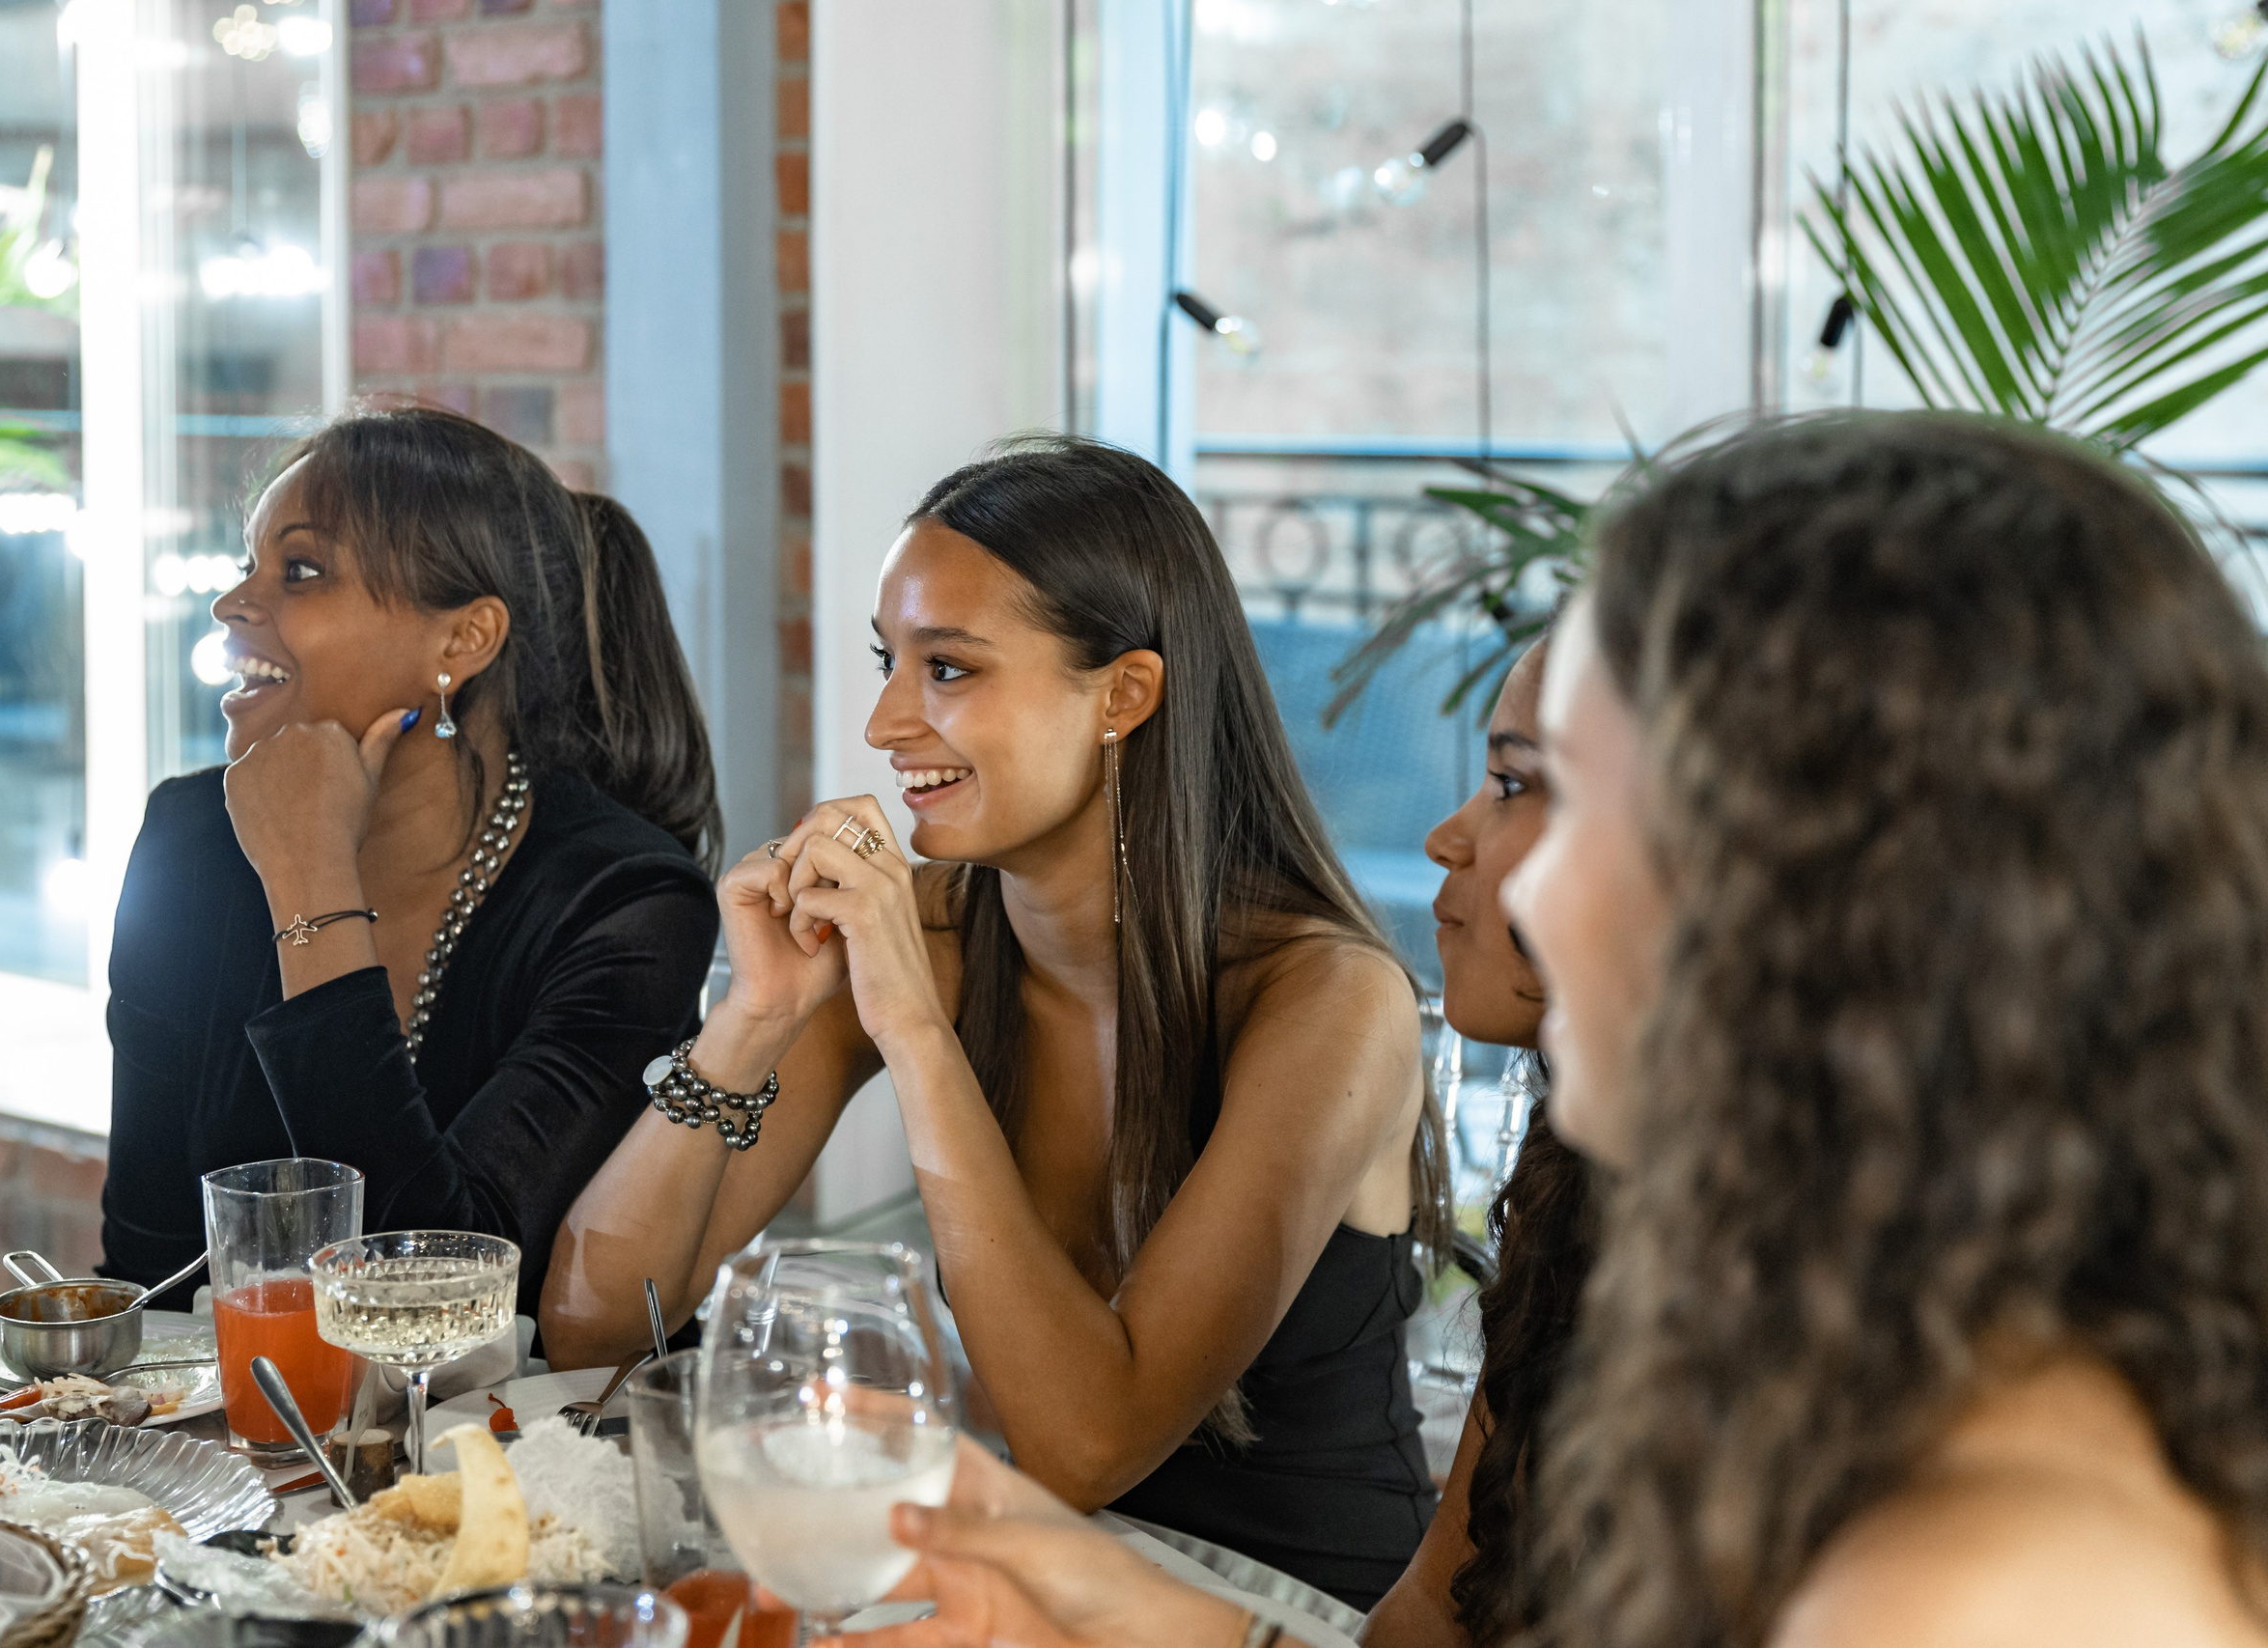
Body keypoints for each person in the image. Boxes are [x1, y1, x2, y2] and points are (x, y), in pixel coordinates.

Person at [824, 412, 2268, 1648]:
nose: (1488, 864)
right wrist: (1103, 1595)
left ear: (1823, 874)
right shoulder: (1820, 1306)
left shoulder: (2005, 1574)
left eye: (1549, 790)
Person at [540, 434, 1444, 1608]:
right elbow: (596, 1327)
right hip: (1031, 1591)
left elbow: (1085, 1444)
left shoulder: (1326, 1001)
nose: (882, 723)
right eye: (889, 662)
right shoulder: (922, 940)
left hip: (1283, 1614)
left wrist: (916, 1032)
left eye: (949, 670)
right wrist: (752, 1019)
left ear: (1123, 695)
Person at [100, 405, 722, 1323]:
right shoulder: (189, 841)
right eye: (248, 565)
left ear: (461, 641)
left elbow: (435, 1298)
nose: (233, 604)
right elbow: (146, 1277)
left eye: (299, 571)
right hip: (230, 1444)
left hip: (505, 1452)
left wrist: (310, 880)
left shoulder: (626, 902)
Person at [1360, 636, 1599, 1648]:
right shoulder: (1582, 1186)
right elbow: (1433, 1613)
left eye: (1509, 783)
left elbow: (1087, 1443)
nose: (1445, 839)